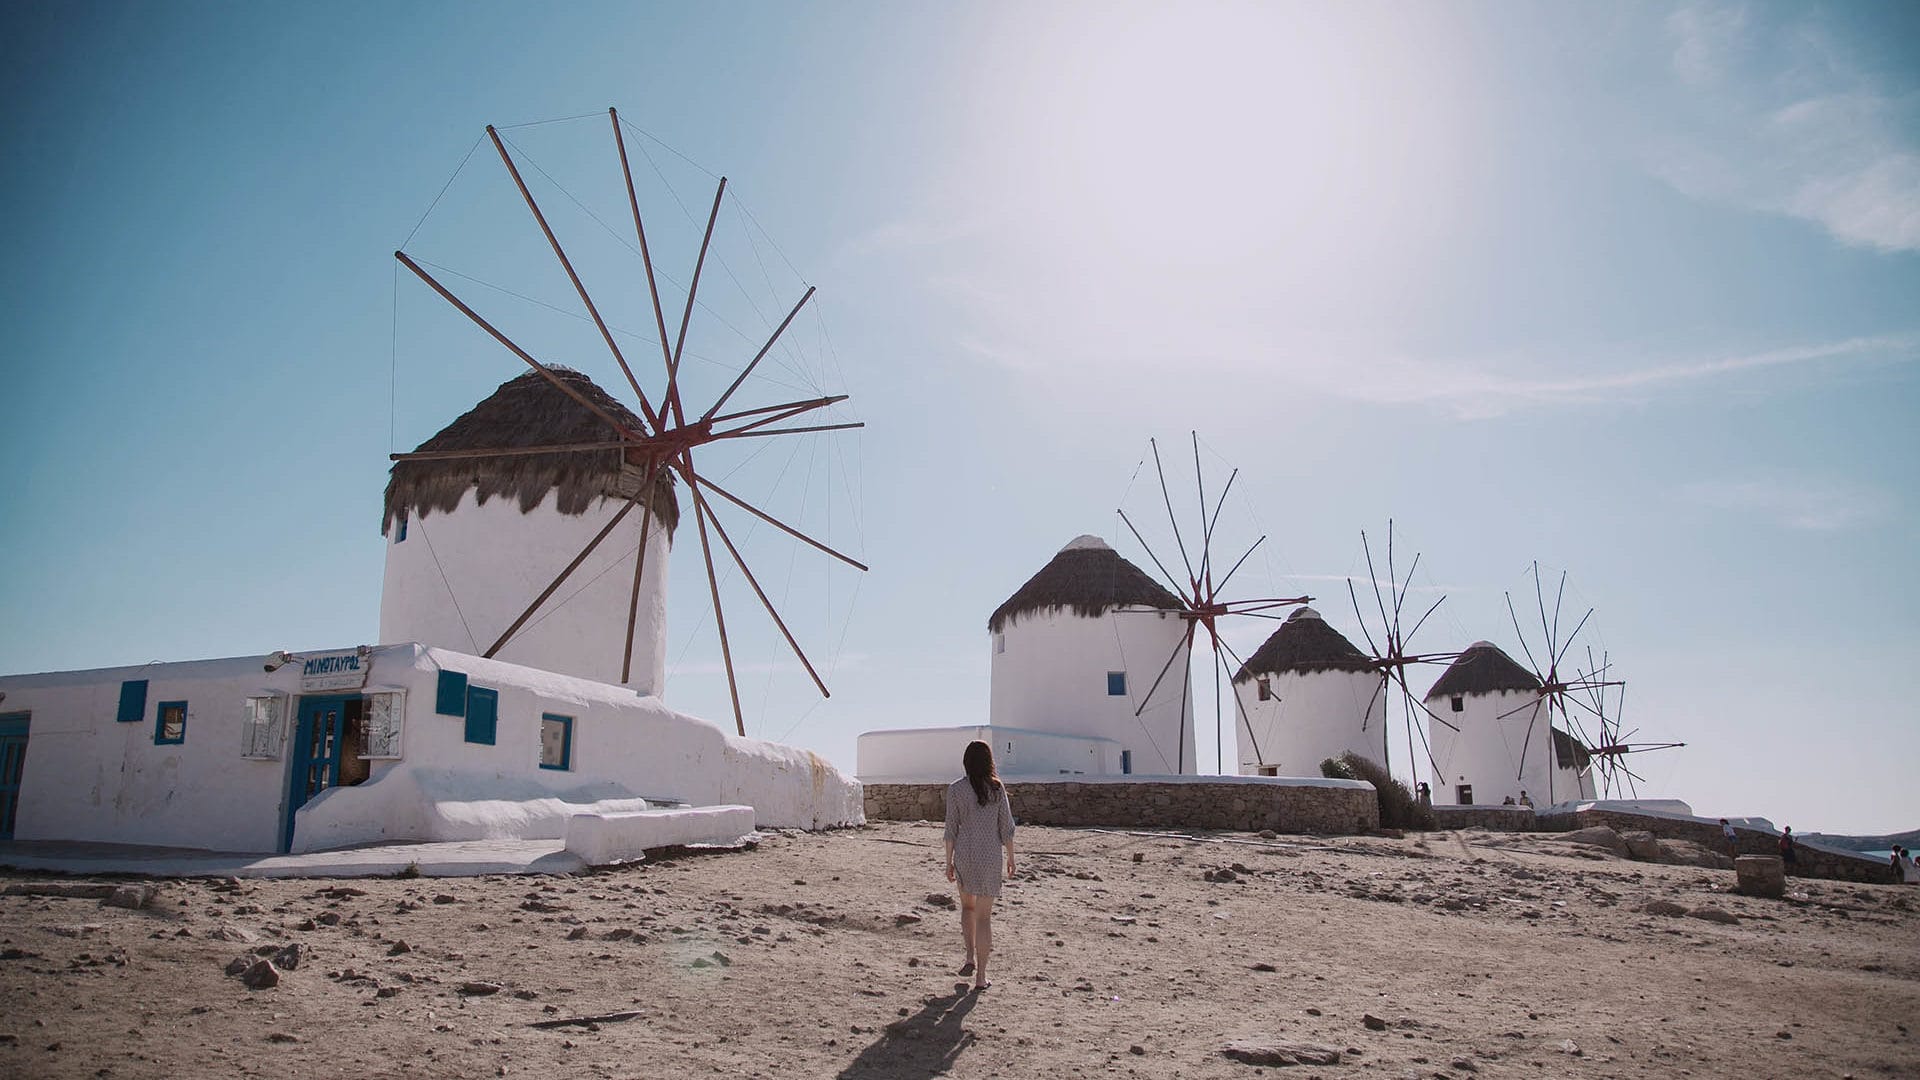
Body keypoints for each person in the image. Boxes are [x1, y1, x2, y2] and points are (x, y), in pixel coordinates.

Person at [944, 740, 1016, 992]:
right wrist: (1011, 857)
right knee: (985, 917)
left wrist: (948, 862)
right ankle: (981, 977)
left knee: (967, 907)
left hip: (965, 854)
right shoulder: (997, 790)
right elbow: (1006, 828)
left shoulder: (956, 790)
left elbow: (950, 830)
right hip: (989, 857)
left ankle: (969, 957)